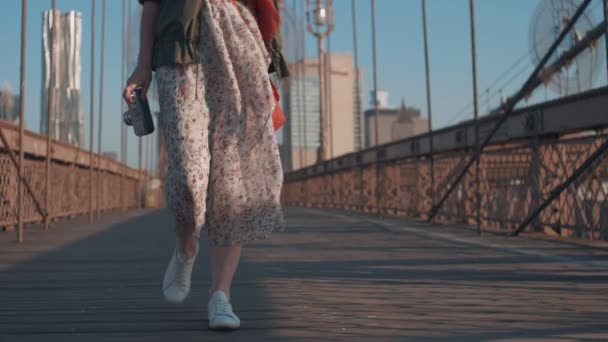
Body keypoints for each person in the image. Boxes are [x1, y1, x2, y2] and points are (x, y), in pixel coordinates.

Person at [123, 0, 287, 331]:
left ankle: (220, 295)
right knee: (187, 174)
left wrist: (269, 52)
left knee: (231, 182)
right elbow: (151, 5)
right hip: (178, 55)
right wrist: (143, 65)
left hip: (238, 47)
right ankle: (186, 247)